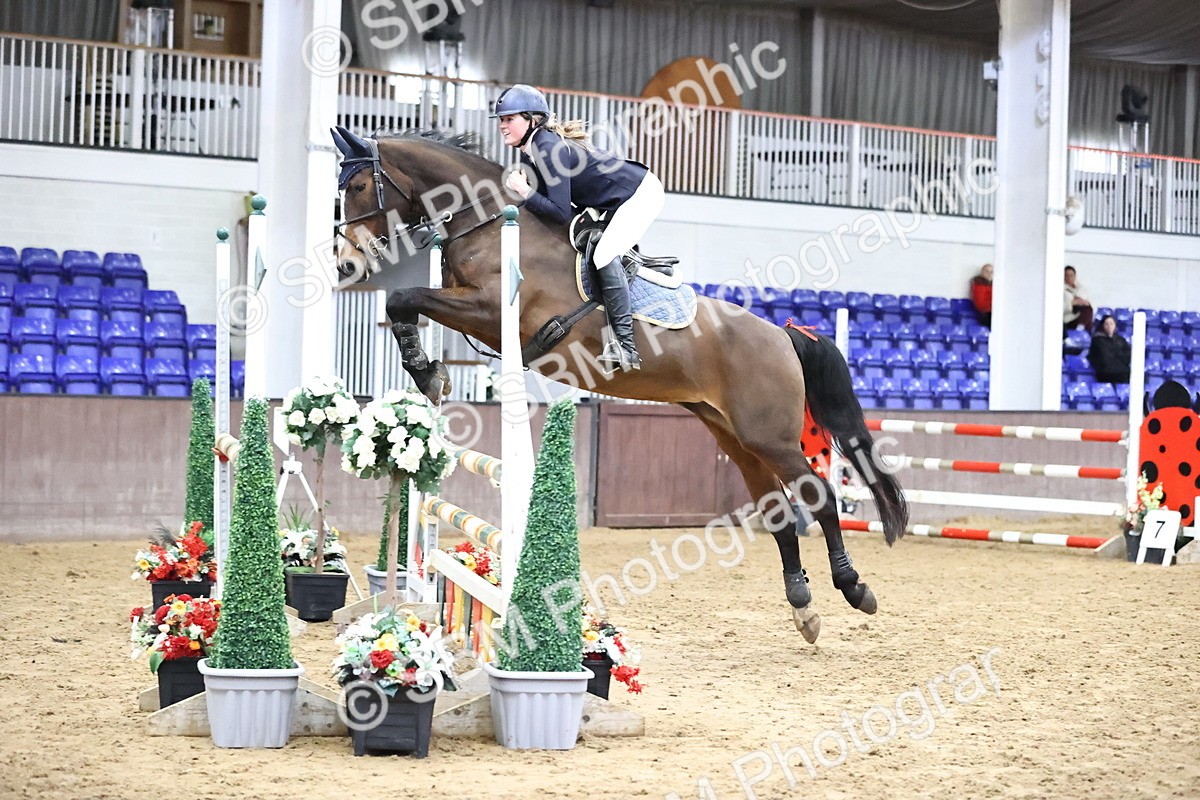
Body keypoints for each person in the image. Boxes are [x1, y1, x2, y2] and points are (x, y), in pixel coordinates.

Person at [493, 83, 664, 372]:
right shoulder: (530, 151)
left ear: (532, 120)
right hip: (611, 200)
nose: (502, 125)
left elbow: (559, 212)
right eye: (501, 119)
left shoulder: (548, 148)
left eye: (510, 119)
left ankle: (626, 347)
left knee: (604, 254)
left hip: (640, 194)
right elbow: (545, 209)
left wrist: (524, 190)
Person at [1088, 315, 1131, 384]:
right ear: (1103, 326)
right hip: (1105, 373)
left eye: (1111, 324)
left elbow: (1127, 354)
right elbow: (1101, 357)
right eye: (1106, 324)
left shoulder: (1121, 340)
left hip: (1122, 372)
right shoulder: (1097, 340)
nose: (1109, 326)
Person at [1063, 266, 1094, 333]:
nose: (1069, 278)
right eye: (1066, 275)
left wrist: (1081, 301)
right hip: (1068, 318)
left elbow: (1088, 303)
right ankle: (1080, 329)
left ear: (1075, 276)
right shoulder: (1060, 289)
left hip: (1081, 314)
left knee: (1088, 310)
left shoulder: (1081, 288)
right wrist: (1072, 303)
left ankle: (1081, 328)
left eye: (1071, 275)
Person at [969, 263, 993, 327]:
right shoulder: (979, 284)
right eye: (987, 271)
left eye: (991, 272)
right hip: (986, 314)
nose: (989, 274)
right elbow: (981, 304)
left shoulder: (993, 285)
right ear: (982, 272)